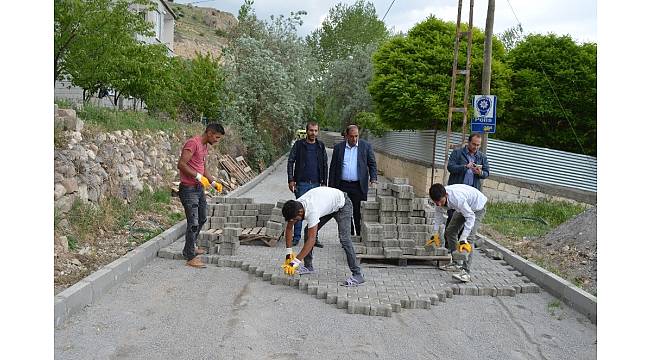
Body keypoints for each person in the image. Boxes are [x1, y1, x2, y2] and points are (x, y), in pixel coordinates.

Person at [281, 187, 365, 286]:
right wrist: (288, 254)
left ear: (300, 212)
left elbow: (312, 239)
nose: (295, 221)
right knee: (307, 232)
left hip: (343, 204)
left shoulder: (312, 210)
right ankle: (308, 267)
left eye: (295, 219)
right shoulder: (295, 206)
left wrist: (295, 262)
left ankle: (357, 275)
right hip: (329, 205)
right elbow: (289, 228)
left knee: (344, 239)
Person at [177, 123, 225, 268]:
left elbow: (202, 167)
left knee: (202, 218)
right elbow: (181, 164)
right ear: (210, 133)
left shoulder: (204, 147)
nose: (217, 140)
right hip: (188, 189)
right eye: (216, 137)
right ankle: (190, 257)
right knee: (193, 223)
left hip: (198, 189)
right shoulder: (193, 143)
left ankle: (190, 247)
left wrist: (212, 181)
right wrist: (198, 176)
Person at [429, 183, 487, 282]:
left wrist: (463, 238)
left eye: (440, 201)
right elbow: (438, 216)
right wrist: (435, 233)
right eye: (436, 202)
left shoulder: (457, 198)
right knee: (450, 231)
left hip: (477, 207)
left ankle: (466, 272)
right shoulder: (438, 198)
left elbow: (470, 217)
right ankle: (456, 263)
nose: (438, 204)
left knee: (469, 239)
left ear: (446, 195)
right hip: (464, 206)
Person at [328, 125, 378, 236]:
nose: (354, 139)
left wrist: (373, 179)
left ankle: (360, 235)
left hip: (359, 186)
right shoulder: (338, 148)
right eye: (352, 136)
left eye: (356, 136)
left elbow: (372, 164)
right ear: (346, 136)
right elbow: (333, 168)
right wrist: (331, 187)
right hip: (342, 186)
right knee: (345, 214)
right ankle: (348, 238)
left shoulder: (366, 147)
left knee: (358, 212)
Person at [286, 122, 328, 248]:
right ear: (306, 131)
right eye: (311, 130)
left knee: (316, 212)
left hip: (316, 184)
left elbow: (325, 164)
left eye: (315, 130)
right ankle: (296, 237)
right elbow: (290, 161)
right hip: (302, 183)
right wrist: (290, 179)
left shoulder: (321, 146)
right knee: (298, 210)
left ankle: (314, 238)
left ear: (318, 132)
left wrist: (324, 183)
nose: (313, 133)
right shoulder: (299, 145)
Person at [444, 133, 491, 244]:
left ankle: (460, 248)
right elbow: (450, 167)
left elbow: (487, 173)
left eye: (478, 145)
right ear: (468, 142)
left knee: (466, 221)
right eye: (474, 144)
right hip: (457, 194)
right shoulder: (457, 153)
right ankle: (448, 249)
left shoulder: (482, 156)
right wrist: (465, 167)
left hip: (471, 196)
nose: (475, 147)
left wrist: (480, 173)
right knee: (452, 222)